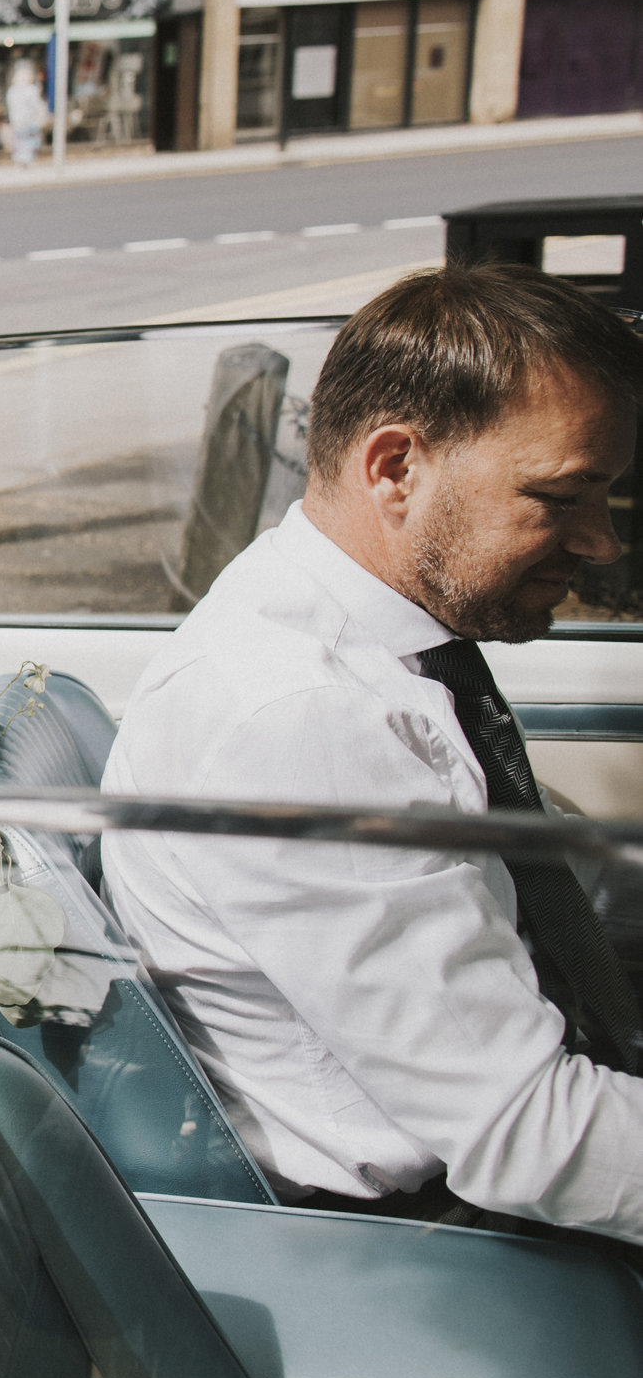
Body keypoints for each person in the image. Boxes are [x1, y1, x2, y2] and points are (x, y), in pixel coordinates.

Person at [100, 261, 643, 1241]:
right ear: (395, 468)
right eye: (561, 496)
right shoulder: (304, 714)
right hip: (447, 1223)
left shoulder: (370, 639)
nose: (600, 542)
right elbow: (526, 1132)